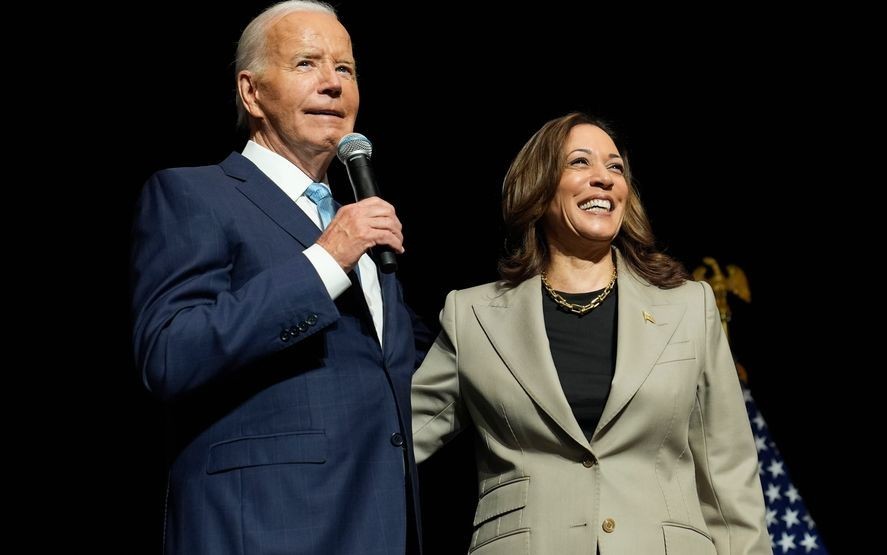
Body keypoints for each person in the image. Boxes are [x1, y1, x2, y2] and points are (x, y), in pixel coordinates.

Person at [130, 2, 432, 553]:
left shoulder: (354, 223)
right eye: (306, 64)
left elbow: (411, 369)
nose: (332, 84)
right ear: (252, 94)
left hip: (379, 527)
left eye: (345, 69)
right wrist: (324, 261)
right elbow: (170, 354)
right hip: (267, 529)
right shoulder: (194, 194)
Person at [411, 112, 770, 554]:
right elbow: (398, 440)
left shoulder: (688, 306)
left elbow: (728, 470)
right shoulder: (473, 316)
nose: (604, 178)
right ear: (539, 187)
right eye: (580, 162)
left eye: (615, 167)